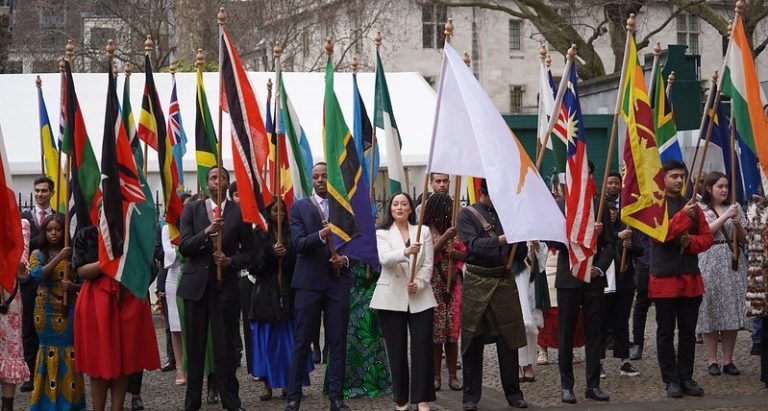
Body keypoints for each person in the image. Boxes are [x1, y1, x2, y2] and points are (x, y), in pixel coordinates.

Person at [177, 167, 254, 411]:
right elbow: (184, 246)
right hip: (196, 287)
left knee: (225, 348)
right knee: (195, 348)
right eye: (212, 178)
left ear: (227, 183)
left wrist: (231, 261)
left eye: (222, 177)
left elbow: (249, 253)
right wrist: (206, 233)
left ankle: (231, 402)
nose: (217, 181)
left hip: (225, 288)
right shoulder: (192, 209)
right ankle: (192, 403)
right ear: (206, 183)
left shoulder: (238, 212)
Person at [284, 162, 353, 411]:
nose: (320, 180)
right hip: (308, 283)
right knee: (302, 340)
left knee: (337, 341)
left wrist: (345, 259)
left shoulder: (344, 206)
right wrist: (322, 235)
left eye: (325, 175)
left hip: (337, 282)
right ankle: (294, 397)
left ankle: (336, 397)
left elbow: (358, 244)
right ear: (311, 180)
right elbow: (298, 244)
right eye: (316, 177)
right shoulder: (300, 207)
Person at [72, 220, 160, 411]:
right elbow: (80, 270)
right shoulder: (87, 234)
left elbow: (149, 268)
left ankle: (117, 408)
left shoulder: (134, 234)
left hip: (128, 299)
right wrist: (106, 263)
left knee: (124, 359)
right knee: (99, 361)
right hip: (97, 301)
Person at [456, 180, 528, 410]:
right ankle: (470, 397)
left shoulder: (510, 216)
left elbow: (520, 254)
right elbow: (473, 245)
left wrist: (520, 241)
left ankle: (514, 394)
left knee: (509, 340)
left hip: (504, 281)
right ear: (482, 193)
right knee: (472, 340)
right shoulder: (467, 215)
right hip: (477, 280)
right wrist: (501, 240)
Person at [649, 160, 713, 398]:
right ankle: (670, 379)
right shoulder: (655, 206)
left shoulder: (693, 205)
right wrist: (683, 216)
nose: (678, 180)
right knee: (665, 332)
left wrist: (691, 242)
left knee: (688, 332)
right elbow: (660, 235)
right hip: (665, 278)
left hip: (690, 277)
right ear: (663, 178)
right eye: (673, 176)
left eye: (681, 176)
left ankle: (686, 377)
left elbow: (706, 238)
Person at [552, 163, 615, 404]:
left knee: (595, 334)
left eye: (586, 173)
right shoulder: (560, 206)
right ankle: (566, 386)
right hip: (569, 278)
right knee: (566, 334)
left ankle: (593, 385)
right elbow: (552, 243)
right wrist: (582, 234)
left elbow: (610, 244)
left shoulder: (599, 205)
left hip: (593, 279)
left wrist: (600, 267)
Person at [370, 192, 436, 411]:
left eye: (403, 204)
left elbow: (428, 264)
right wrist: (406, 251)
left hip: (420, 296)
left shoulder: (423, 231)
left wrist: (419, 282)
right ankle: (401, 398)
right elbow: (384, 259)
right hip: (391, 297)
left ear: (410, 209)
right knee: (396, 350)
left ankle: (422, 398)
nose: (399, 207)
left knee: (422, 348)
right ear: (390, 208)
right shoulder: (381, 233)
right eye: (395, 204)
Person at [250, 200, 312, 400]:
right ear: (268, 212)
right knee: (267, 343)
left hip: (288, 294)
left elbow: (300, 261)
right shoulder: (259, 233)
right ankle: (267, 384)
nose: (279, 214)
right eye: (275, 210)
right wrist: (271, 253)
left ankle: (289, 382)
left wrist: (286, 256)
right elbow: (254, 265)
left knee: (289, 342)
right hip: (265, 295)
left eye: (283, 210)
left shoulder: (292, 232)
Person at [28, 214, 85, 410]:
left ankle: (70, 402)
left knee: (69, 351)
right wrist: (59, 257)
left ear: (64, 231)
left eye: (58, 229)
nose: (54, 233)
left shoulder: (73, 254)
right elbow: (37, 275)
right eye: (49, 230)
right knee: (47, 352)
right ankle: (45, 403)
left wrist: (74, 287)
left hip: (68, 309)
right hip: (45, 311)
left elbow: (85, 282)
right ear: (44, 232)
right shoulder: (37, 254)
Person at [696, 171, 747, 377]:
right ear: (709, 188)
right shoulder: (700, 209)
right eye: (720, 186)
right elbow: (704, 232)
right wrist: (725, 217)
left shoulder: (735, 207)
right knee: (709, 309)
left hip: (731, 259)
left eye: (726, 186)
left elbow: (744, 239)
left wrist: (737, 223)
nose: (725, 190)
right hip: (708, 259)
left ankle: (728, 360)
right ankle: (712, 360)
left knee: (730, 310)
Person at [19, 176, 59, 393]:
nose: (40, 194)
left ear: (52, 192)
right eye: (37, 190)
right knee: (28, 326)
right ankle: (30, 373)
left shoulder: (57, 218)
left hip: (50, 279)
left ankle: (50, 372)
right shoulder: (24, 218)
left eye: (44, 190)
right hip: (27, 280)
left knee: (50, 323)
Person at [422, 193, 465, 392]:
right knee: (437, 333)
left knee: (452, 333)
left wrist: (458, 254)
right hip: (434, 285)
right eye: (447, 208)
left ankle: (453, 376)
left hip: (454, 285)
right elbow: (427, 255)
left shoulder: (456, 231)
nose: (450, 212)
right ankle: (436, 376)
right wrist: (445, 238)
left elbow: (466, 254)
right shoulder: (425, 232)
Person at [602, 204, 641, 378]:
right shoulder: (599, 227)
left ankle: (624, 360)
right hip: (603, 282)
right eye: (608, 210)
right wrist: (618, 238)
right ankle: (597, 362)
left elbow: (640, 249)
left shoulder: (626, 225)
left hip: (624, 282)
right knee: (600, 323)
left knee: (622, 322)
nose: (612, 213)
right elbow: (600, 244)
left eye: (614, 210)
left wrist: (630, 244)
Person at [0, 219, 31, 411]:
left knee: (9, 353)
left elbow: (21, 266)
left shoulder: (21, 225)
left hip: (9, 302)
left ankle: (7, 407)